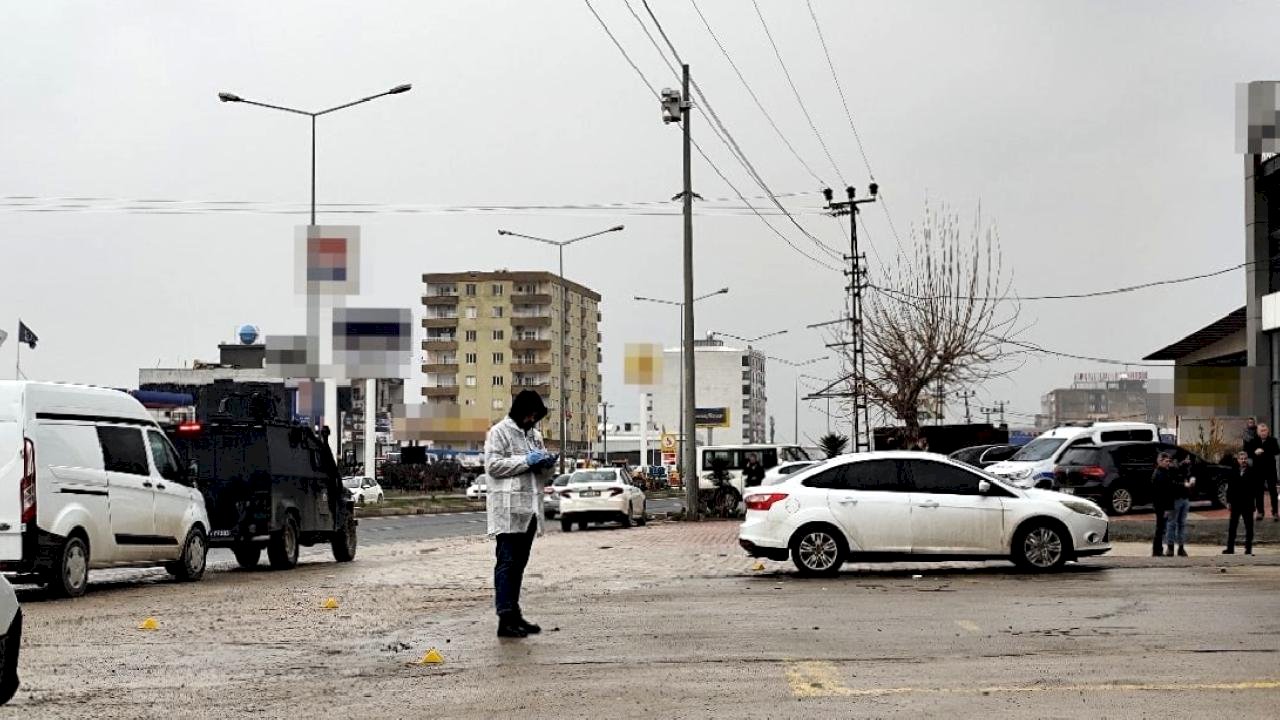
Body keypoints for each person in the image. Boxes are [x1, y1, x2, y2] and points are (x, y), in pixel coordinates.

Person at [485, 389, 557, 639]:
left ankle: (515, 614)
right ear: (520, 411)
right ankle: (504, 618)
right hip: (507, 510)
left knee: (519, 566)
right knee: (507, 563)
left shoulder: (535, 436)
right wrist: (527, 460)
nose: (532, 419)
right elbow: (493, 466)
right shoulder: (499, 432)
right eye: (529, 414)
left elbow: (540, 475)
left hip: (529, 509)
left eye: (536, 416)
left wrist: (547, 465)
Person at [1159, 451, 1195, 557]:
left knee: (1181, 524)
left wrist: (1192, 480)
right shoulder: (1173, 469)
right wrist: (1184, 485)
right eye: (1186, 459)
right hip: (1175, 499)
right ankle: (1170, 547)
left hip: (1185, 498)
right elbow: (1172, 484)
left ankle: (1181, 547)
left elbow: (1190, 475)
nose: (1188, 461)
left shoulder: (1186, 468)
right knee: (1172, 523)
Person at [1223, 451, 1258, 555]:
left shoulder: (1252, 471)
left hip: (1248, 503)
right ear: (1238, 460)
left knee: (1249, 528)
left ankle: (1248, 549)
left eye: (1245, 459)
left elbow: (1255, 490)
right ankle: (1230, 548)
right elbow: (1229, 488)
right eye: (1241, 459)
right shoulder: (1233, 471)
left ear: (1247, 459)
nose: (1243, 461)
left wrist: (1255, 504)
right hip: (1235, 503)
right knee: (1232, 527)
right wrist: (1228, 501)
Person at [1244, 422, 1280, 521]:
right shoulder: (1253, 441)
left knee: (1273, 491)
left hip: (1270, 470)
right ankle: (1260, 512)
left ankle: (1275, 512)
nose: (1263, 433)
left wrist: (1263, 450)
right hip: (1258, 470)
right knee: (1258, 492)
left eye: (1265, 431)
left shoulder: (1273, 440)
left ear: (1268, 431)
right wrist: (1254, 452)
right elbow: (1247, 451)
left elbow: (1277, 451)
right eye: (1261, 431)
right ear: (1258, 432)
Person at [1150, 454, 1174, 557]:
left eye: (1169, 461)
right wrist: (1166, 508)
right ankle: (1157, 550)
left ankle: (1158, 549)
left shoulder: (1164, 472)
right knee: (1160, 528)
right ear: (1160, 461)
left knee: (1161, 528)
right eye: (1166, 461)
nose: (1168, 463)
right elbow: (1161, 494)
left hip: (1162, 506)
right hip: (1161, 506)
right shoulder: (1159, 474)